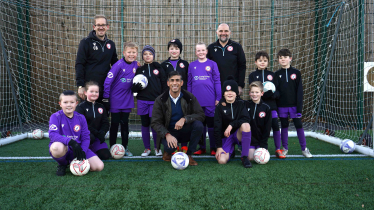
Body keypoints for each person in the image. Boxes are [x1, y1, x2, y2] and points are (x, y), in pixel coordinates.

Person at [151, 71, 205, 166]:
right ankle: (167, 152)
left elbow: (200, 115)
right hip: (169, 132)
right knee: (170, 147)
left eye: (177, 80)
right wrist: (167, 134)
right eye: (172, 80)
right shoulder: (160, 100)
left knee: (198, 125)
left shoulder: (189, 97)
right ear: (168, 83)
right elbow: (155, 122)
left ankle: (188, 155)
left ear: (181, 83)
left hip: (185, 131)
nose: (174, 83)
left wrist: (185, 119)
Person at [49, 90, 104, 176]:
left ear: (76, 103)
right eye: (65, 102)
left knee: (99, 166)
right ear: (60, 104)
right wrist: (71, 142)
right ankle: (62, 164)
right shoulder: (55, 116)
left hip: (78, 148)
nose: (69, 105)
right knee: (56, 148)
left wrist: (83, 150)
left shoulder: (81, 118)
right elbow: (52, 135)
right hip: (65, 147)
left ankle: (73, 162)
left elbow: (86, 137)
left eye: (72, 102)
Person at [275, 49, 313, 158]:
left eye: (285, 57)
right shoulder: (277, 74)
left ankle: (304, 149)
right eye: (280, 58)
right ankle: (285, 148)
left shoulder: (296, 73)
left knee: (299, 125)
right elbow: (276, 91)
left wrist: (299, 108)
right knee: (284, 125)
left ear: (290, 58)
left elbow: (299, 91)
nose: (283, 59)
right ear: (278, 60)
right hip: (282, 106)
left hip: (294, 106)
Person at [103, 41, 139, 156]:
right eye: (129, 52)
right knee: (114, 124)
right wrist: (106, 98)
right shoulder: (118, 65)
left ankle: (125, 147)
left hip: (127, 100)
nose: (131, 54)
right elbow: (108, 81)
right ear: (124, 53)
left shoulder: (136, 65)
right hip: (115, 100)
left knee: (125, 125)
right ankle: (112, 148)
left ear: (136, 54)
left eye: (134, 52)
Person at [75, 15, 118, 109]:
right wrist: (80, 86)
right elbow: (79, 64)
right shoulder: (85, 42)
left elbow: (116, 64)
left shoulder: (111, 44)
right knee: (89, 116)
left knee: (103, 115)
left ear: (107, 27)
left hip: (106, 87)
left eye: (103, 25)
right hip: (90, 87)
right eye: (98, 25)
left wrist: (131, 66)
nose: (101, 27)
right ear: (94, 27)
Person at [132, 45, 167, 157]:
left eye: (150, 54)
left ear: (153, 55)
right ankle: (147, 148)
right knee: (144, 124)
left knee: (155, 125)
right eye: (145, 54)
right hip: (142, 101)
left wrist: (163, 98)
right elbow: (133, 86)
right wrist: (135, 88)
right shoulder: (139, 69)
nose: (148, 56)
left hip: (155, 101)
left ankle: (157, 148)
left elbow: (164, 84)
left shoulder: (158, 68)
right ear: (142, 56)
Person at [248, 51, 284, 158]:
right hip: (257, 107)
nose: (262, 63)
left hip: (271, 107)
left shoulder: (272, 75)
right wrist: (263, 95)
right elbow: (253, 91)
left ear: (268, 62)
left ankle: (278, 149)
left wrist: (272, 95)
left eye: (265, 61)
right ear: (256, 62)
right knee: (255, 126)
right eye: (260, 61)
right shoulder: (252, 75)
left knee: (275, 126)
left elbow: (278, 92)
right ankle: (251, 145)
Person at [187, 42, 221, 156]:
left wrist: (218, 97)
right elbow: (189, 83)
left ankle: (213, 147)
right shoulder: (192, 65)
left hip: (210, 100)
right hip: (197, 102)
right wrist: (190, 98)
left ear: (206, 51)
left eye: (203, 50)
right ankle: (201, 147)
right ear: (196, 52)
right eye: (198, 50)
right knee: (199, 125)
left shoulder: (212, 64)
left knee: (211, 125)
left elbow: (217, 81)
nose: (201, 52)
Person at [214, 76, 252, 168]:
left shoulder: (241, 103)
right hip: (226, 136)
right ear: (223, 93)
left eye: (232, 91)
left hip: (237, 134)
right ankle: (231, 150)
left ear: (236, 93)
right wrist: (219, 147)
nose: (229, 93)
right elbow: (217, 127)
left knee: (246, 125)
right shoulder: (219, 107)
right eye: (227, 91)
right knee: (222, 161)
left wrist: (231, 125)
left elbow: (246, 119)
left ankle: (244, 157)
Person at [207, 23, 246, 95]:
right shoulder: (211, 48)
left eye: (226, 31)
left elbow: (242, 66)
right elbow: (207, 68)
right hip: (215, 87)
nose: (223, 33)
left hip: (233, 86)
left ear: (230, 32)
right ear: (217, 33)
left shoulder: (237, 47)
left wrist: (240, 85)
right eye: (221, 31)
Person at [76, 81, 111, 160]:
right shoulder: (80, 107)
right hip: (86, 137)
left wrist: (102, 132)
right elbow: (82, 124)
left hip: (97, 137)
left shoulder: (101, 106)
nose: (94, 94)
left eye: (96, 92)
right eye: (91, 91)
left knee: (105, 156)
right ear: (85, 93)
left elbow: (105, 123)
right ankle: (84, 148)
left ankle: (92, 150)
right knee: (90, 137)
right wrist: (96, 133)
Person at [244, 81, 272, 160]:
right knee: (251, 158)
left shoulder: (266, 108)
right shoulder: (245, 105)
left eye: (257, 92)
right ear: (249, 93)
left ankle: (260, 147)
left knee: (261, 157)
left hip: (261, 140)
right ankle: (243, 146)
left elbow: (267, 128)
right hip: (250, 140)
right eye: (252, 92)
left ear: (262, 93)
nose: (254, 94)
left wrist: (263, 144)